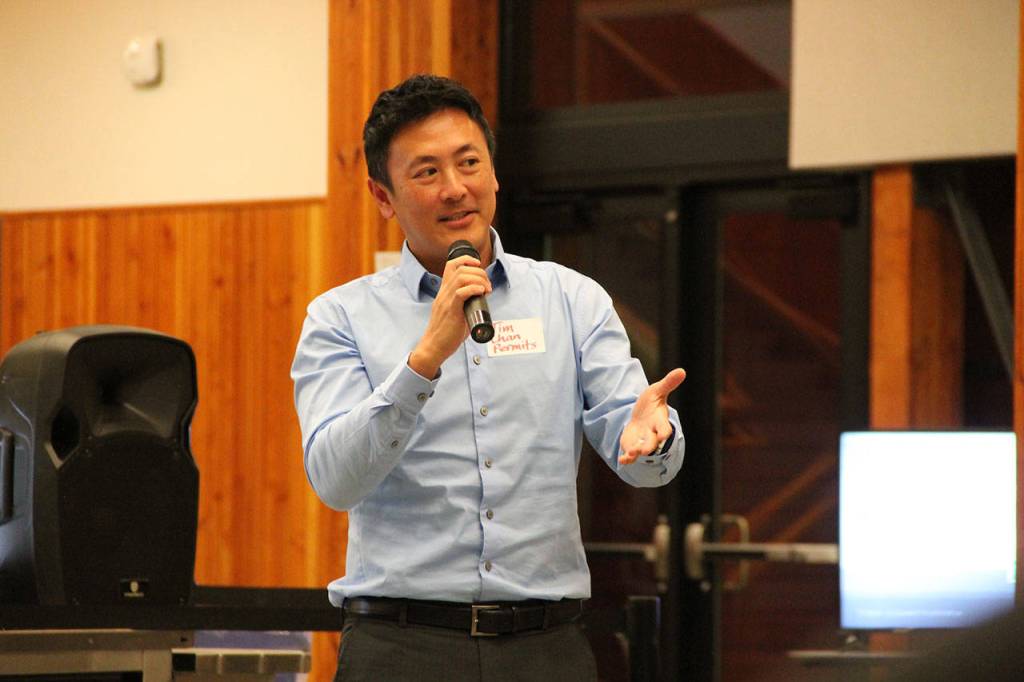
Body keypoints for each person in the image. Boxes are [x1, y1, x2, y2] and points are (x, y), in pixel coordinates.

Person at [291, 73, 686, 682]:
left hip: (545, 648)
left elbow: (645, 461)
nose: (455, 188)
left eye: (469, 162)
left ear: (494, 173)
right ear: (383, 196)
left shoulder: (571, 300)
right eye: (427, 172)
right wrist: (424, 359)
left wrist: (653, 439)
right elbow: (336, 480)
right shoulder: (340, 317)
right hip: (401, 647)